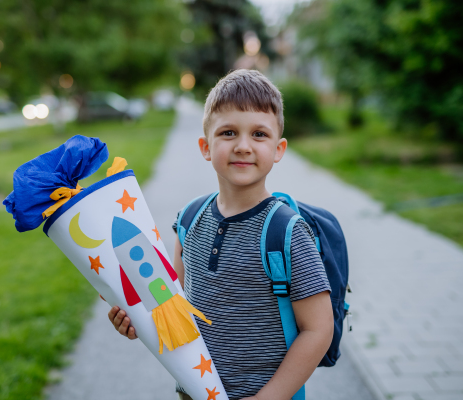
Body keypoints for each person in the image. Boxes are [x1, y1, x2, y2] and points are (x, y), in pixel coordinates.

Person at [107, 69, 334, 400]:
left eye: (259, 134)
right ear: (206, 146)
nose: (243, 146)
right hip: (196, 391)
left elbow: (318, 329)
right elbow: (173, 304)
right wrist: (136, 321)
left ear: (279, 149)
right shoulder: (188, 219)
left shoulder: (286, 232)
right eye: (228, 133)